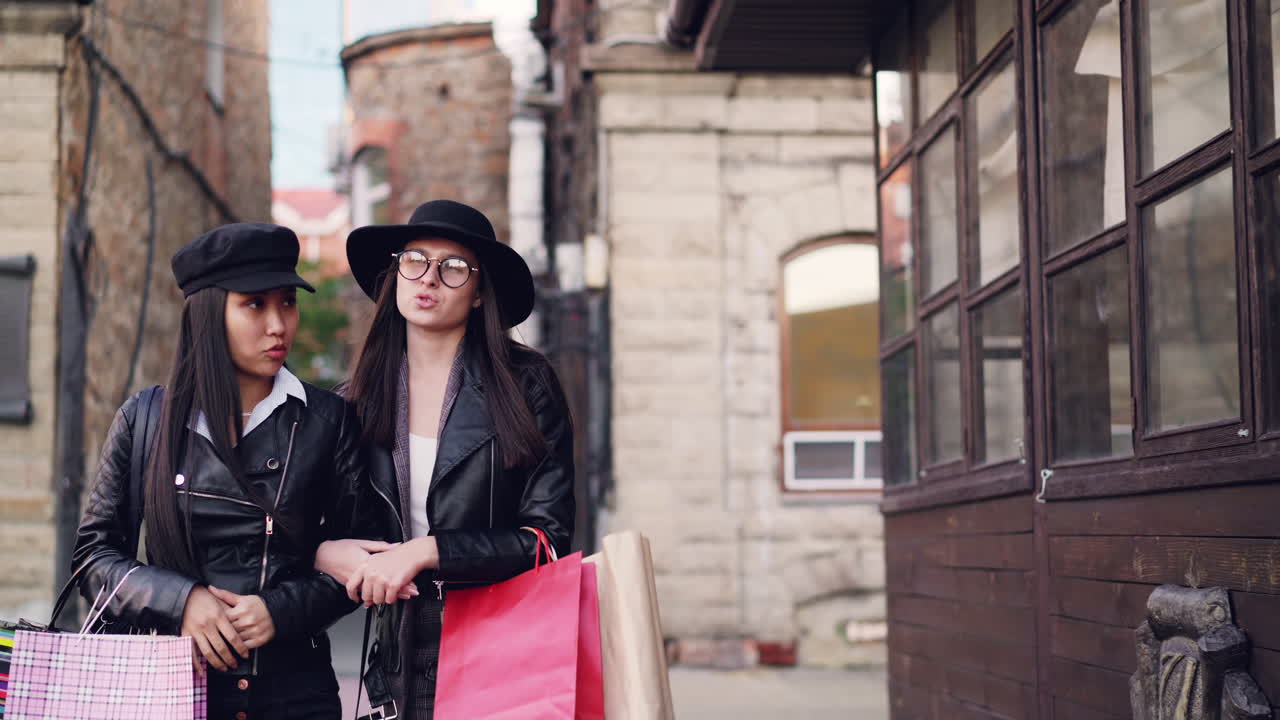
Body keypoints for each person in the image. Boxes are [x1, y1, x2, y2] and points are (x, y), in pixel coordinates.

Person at [72, 223, 388, 719]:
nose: (279, 324)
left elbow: (363, 562)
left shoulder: (328, 420)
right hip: (167, 689)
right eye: (256, 304)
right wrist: (181, 601)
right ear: (207, 314)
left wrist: (279, 612)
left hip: (295, 695)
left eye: (287, 302)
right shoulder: (146, 418)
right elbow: (94, 558)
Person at [315, 200, 575, 719]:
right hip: (397, 649)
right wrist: (324, 553)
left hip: (501, 643)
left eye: (453, 267)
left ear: (479, 293)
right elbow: (315, 523)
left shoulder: (527, 386)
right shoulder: (354, 401)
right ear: (395, 275)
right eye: (414, 260)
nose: (429, 277)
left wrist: (431, 551)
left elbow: (549, 541)